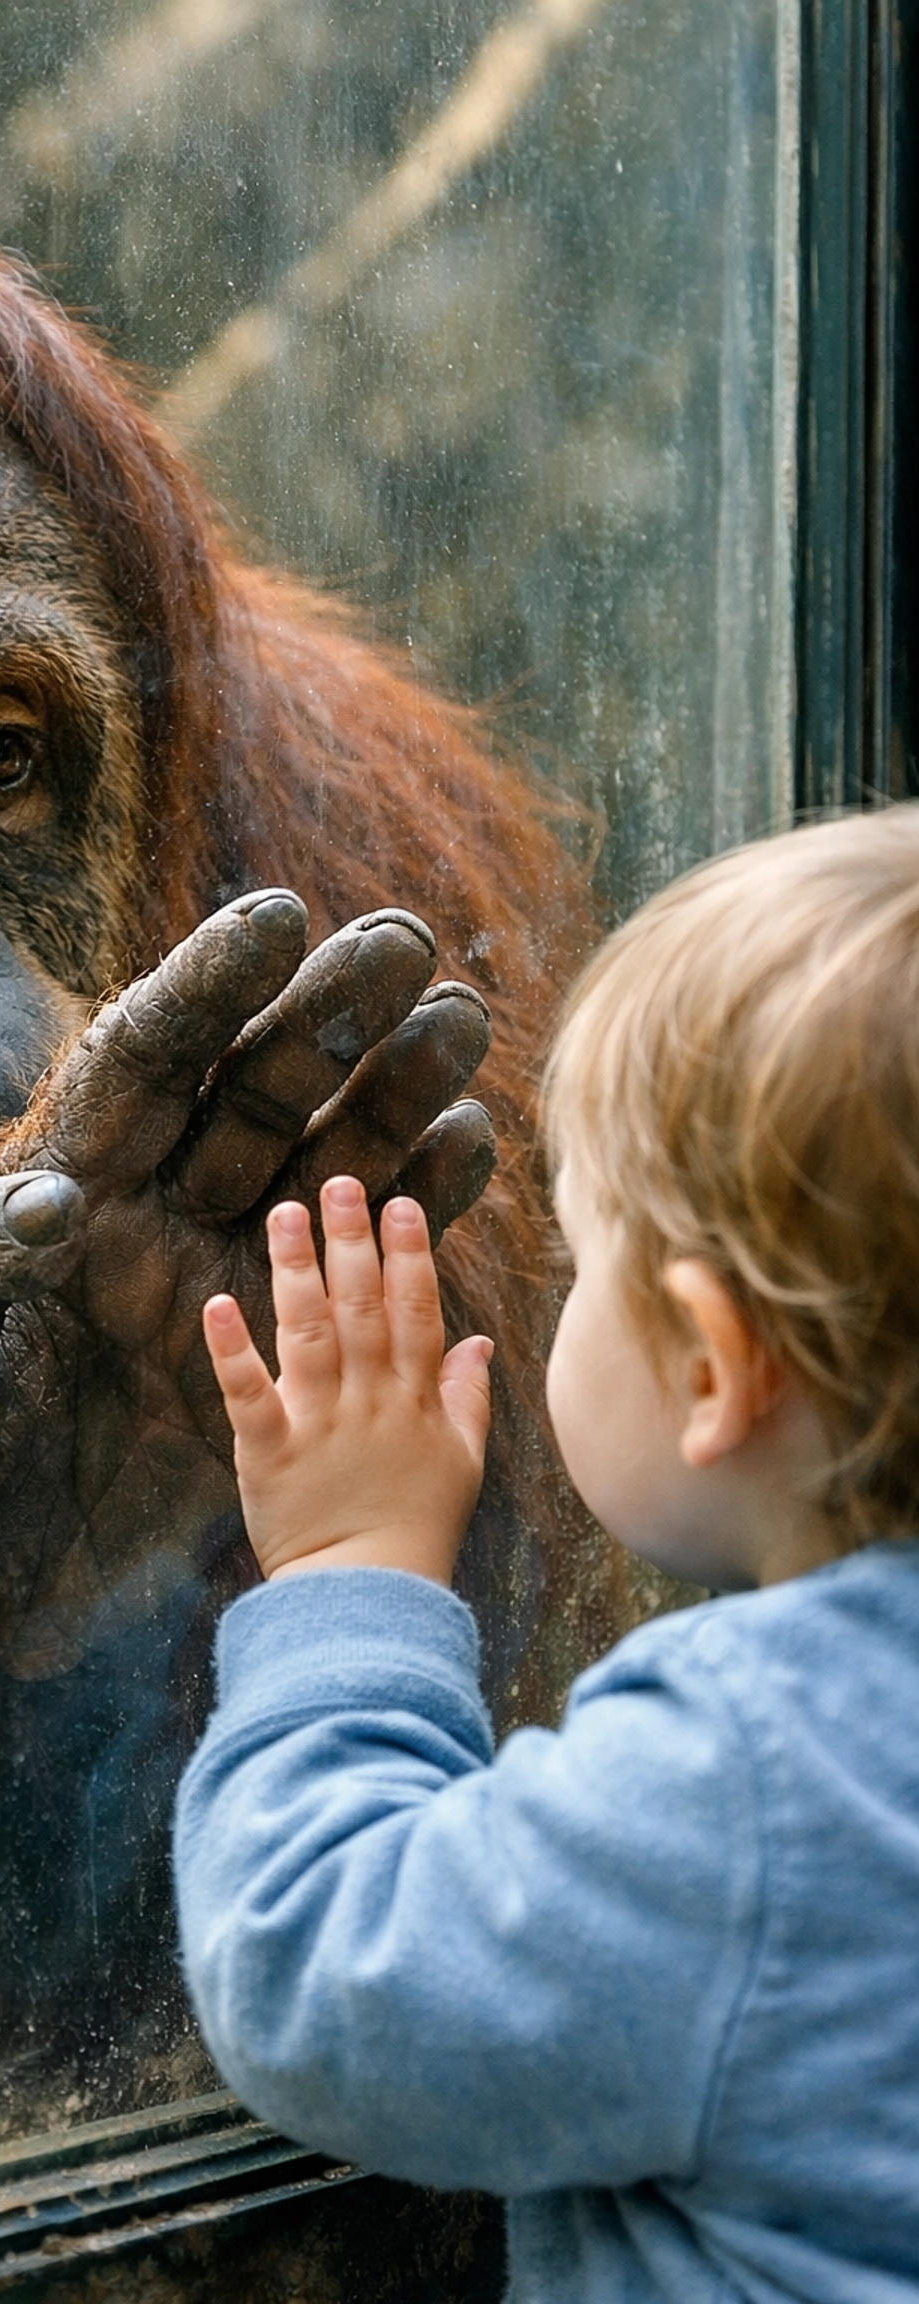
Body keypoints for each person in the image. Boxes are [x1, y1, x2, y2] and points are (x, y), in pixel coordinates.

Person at [174, 807, 919, 2302]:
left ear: (713, 1369)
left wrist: (348, 1572)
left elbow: (325, 1969)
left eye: (580, 1263)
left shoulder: (760, 1780)